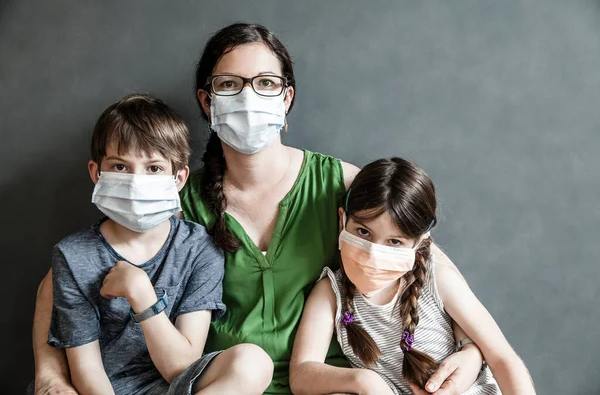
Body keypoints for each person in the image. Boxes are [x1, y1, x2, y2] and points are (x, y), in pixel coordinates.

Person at [32, 23, 486, 394]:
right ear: (207, 101)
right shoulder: (176, 201)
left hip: (329, 384)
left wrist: (471, 349)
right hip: (227, 383)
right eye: (229, 84)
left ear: (286, 98)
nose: (248, 98)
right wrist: (50, 374)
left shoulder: (339, 184)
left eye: (266, 83)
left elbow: (424, 263)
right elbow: (67, 277)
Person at [34, 93, 273, 395]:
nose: (136, 181)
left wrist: (143, 297)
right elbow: (86, 369)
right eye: (120, 167)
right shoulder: (73, 255)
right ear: (97, 173)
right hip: (102, 390)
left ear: (179, 177)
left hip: (175, 386)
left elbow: (181, 367)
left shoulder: (199, 248)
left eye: (154, 168)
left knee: (254, 362)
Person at [289, 157, 536, 395]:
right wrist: (363, 380)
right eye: (363, 232)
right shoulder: (331, 293)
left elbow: (503, 359)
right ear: (343, 220)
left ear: (420, 242)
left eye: (394, 241)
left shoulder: (437, 279)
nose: (374, 252)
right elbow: (302, 374)